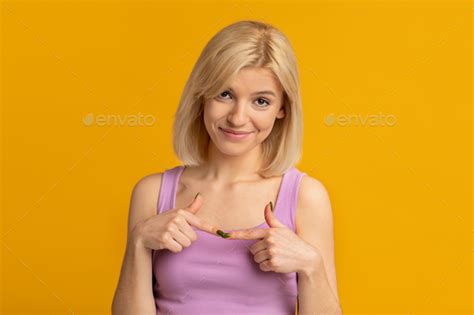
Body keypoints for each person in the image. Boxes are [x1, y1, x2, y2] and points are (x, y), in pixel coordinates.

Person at [112, 20, 342, 315]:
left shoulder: (306, 197)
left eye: (261, 101)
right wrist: (139, 244)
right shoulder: (152, 192)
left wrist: (310, 266)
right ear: (202, 95)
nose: (237, 118)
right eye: (225, 94)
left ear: (282, 108)